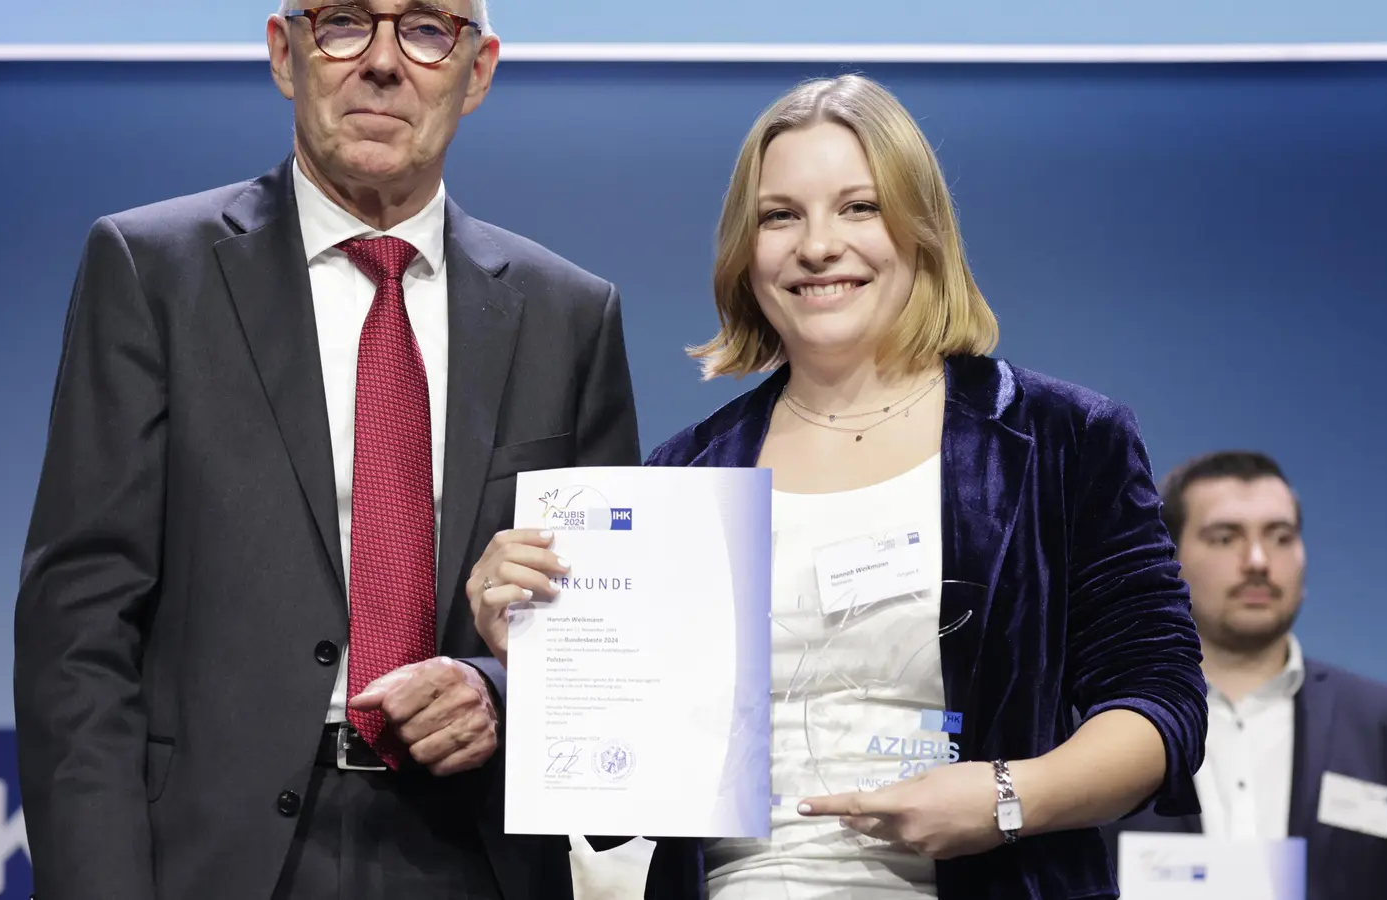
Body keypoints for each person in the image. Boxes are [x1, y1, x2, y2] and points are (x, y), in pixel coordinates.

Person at [470, 74, 1208, 899]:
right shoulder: (683, 477)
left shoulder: (1063, 441)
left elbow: (1162, 707)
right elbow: (621, 807)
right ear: (745, 253)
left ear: (921, 230)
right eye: (780, 215)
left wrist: (1006, 798)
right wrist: (544, 653)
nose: (818, 245)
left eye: (859, 207)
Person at [11, 2, 640, 899]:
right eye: (345, 21)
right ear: (284, 51)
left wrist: (495, 690)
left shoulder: (568, 317)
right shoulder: (152, 271)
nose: (383, 61)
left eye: (426, 28)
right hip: (212, 857)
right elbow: (78, 628)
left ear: (481, 69)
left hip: (471, 856)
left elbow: (601, 631)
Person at [1101, 451, 1387, 899]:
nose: (1258, 560)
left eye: (1280, 537)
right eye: (1225, 538)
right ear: (1166, 558)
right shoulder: (1089, 721)